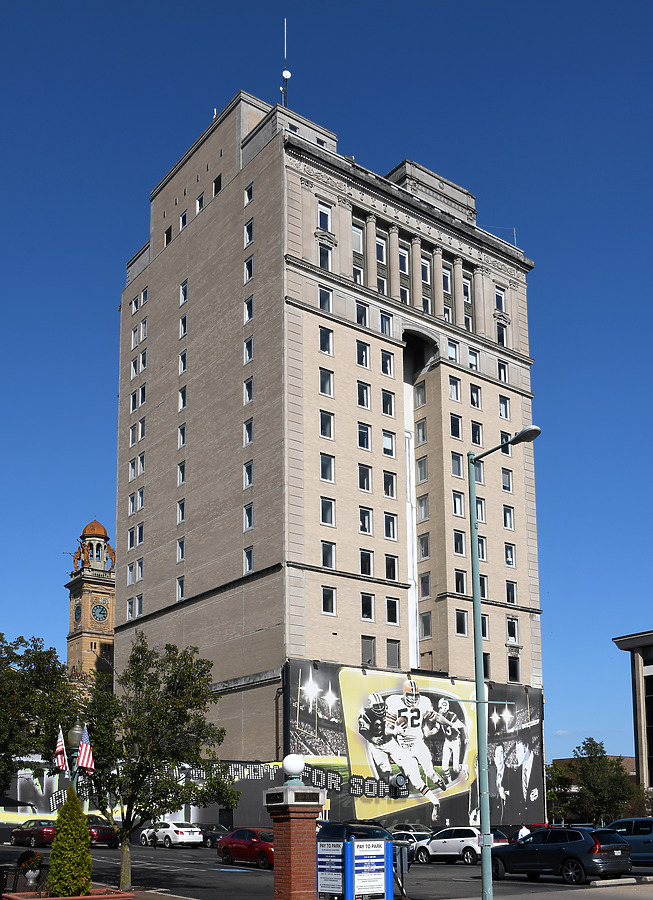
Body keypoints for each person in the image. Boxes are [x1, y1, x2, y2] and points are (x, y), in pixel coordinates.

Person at [385, 678, 444, 821]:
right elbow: (386, 729)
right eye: (410, 695)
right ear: (404, 694)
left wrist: (451, 723)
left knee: (429, 772)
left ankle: (437, 779)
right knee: (416, 781)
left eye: (415, 695)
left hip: (418, 744)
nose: (413, 698)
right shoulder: (394, 703)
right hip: (404, 748)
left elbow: (435, 717)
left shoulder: (424, 702)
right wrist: (395, 730)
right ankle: (435, 802)